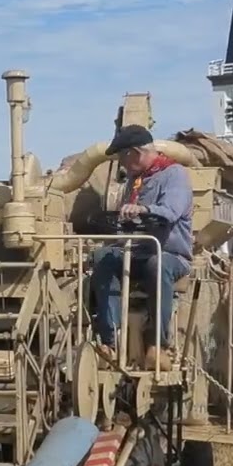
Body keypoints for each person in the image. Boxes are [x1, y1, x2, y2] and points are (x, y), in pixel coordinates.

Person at [89, 124, 194, 368]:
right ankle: (111, 342)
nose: (122, 165)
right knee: (103, 257)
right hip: (135, 251)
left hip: (170, 254)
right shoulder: (135, 181)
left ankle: (158, 345)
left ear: (135, 153)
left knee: (158, 264)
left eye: (122, 158)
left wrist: (143, 209)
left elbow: (171, 211)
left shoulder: (175, 174)